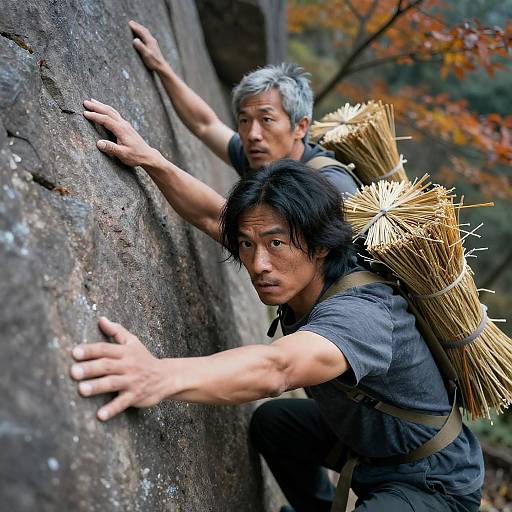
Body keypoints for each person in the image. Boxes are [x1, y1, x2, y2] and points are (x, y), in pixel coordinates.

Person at [70, 160, 483, 512]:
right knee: (275, 424)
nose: (258, 264)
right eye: (247, 245)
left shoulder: (362, 314)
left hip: (432, 479)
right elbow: (209, 215)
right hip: (371, 444)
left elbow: (278, 368)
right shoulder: (297, 263)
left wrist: (158, 376)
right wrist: (151, 160)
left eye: (275, 243)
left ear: (320, 245)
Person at [81, 21, 358, 243]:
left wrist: (149, 157)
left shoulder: (330, 186)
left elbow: (221, 219)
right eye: (244, 120)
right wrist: (162, 67)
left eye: (266, 119)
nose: (252, 134)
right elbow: (205, 124)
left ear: (300, 127)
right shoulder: (262, 157)